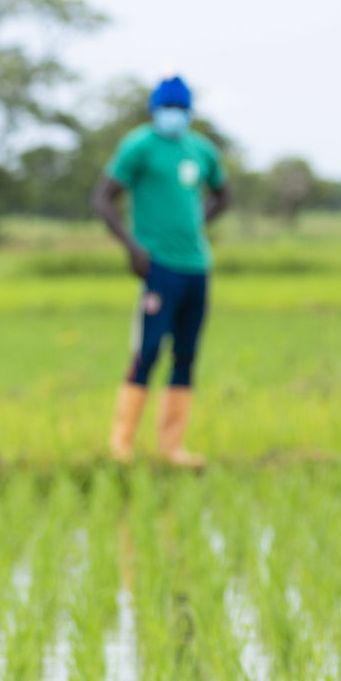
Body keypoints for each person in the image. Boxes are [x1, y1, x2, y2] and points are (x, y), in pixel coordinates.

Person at [94, 75, 228, 468]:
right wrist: (133, 247)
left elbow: (225, 195)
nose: (174, 115)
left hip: (197, 266)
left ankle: (172, 448)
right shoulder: (139, 146)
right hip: (158, 266)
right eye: (168, 108)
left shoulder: (200, 151)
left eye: (181, 109)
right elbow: (102, 199)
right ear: (155, 110)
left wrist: (196, 224)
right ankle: (121, 446)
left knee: (186, 355)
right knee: (148, 351)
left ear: (189, 112)